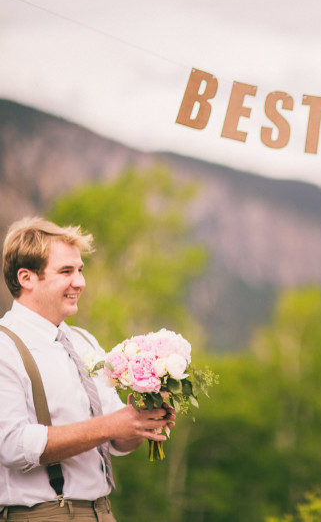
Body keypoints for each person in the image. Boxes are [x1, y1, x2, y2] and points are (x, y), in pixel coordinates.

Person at [0, 217, 173, 521]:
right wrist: (111, 425)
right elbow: (12, 446)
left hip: (103, 511)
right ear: (26, 278)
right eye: (66, 271)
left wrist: (141, 421)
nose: (80, 282)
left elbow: (118, 441)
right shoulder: (5, 346)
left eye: (80, 270)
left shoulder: (83, 341)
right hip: (42, 514)